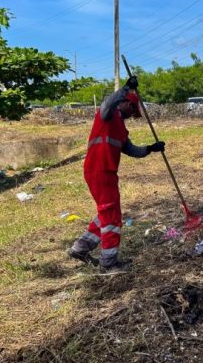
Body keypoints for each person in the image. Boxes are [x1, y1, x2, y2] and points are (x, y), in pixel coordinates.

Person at [68, 76, 166, 272]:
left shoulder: (121, 128)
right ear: (124, 103)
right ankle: (109, 263)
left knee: (107, 213)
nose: (132, 115)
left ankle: (80, 248)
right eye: (131, 110)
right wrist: (126, 88)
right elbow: (107, 103)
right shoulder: (106, 115)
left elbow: (131, 150)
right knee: (112, 218)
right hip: (99, 170)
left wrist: (151, 148)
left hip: (107, 172)